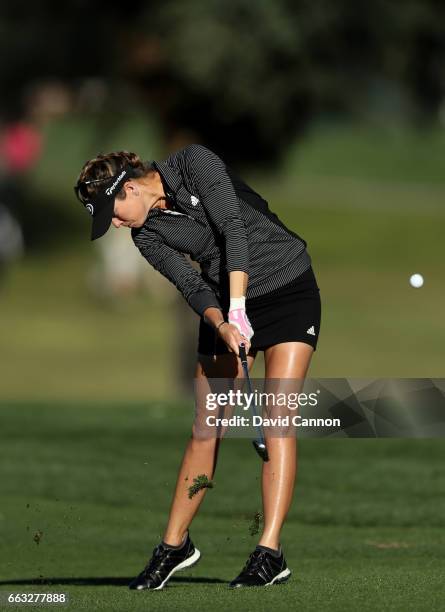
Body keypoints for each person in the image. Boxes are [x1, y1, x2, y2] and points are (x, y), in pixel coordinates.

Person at [74, 144, 321, 590]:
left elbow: (233, 229)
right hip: (223, 310)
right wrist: (224, 323)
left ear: (129, 187)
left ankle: (269, 552)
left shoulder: (194, 163)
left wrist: (240, 308)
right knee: (206, 428)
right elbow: (190, 282)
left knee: (277, 420)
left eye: (113, 211)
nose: (114, 223)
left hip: (286, 284)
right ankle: (174, 546)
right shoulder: (145, 234)